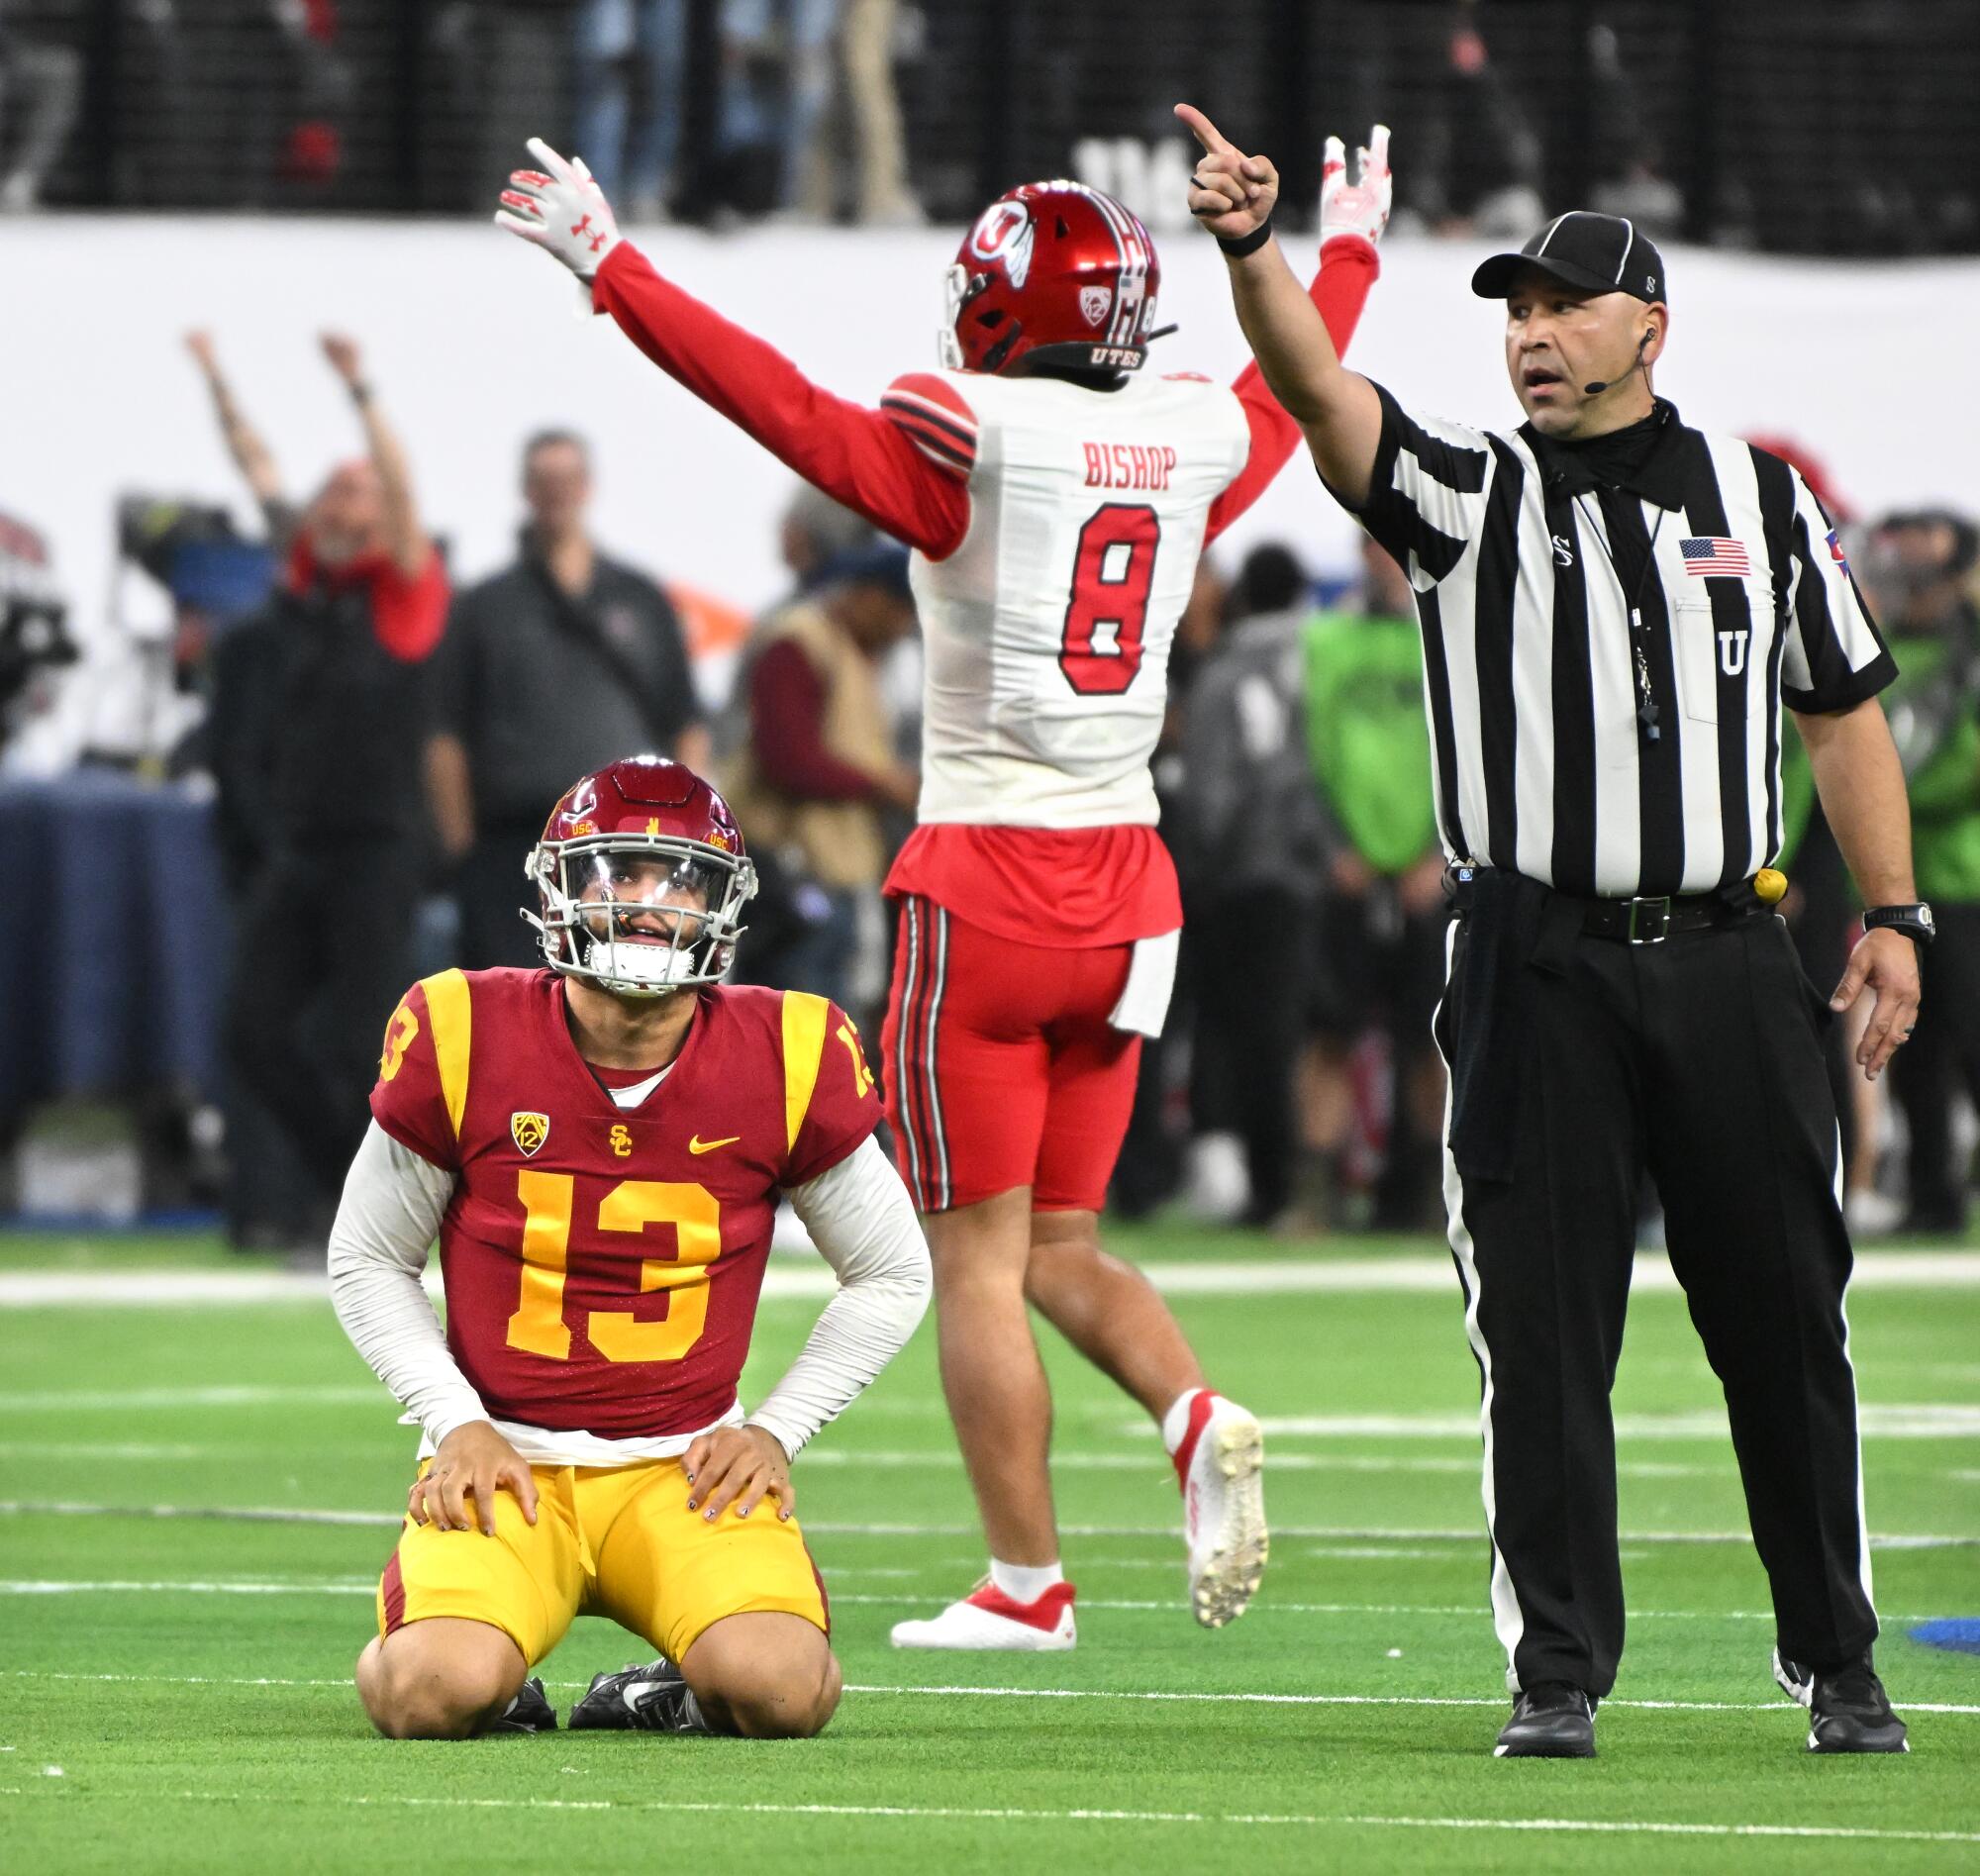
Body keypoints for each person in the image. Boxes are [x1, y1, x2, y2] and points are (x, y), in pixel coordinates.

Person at [494, 124, 1390, 1645]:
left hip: (987, 880)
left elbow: (778, 406)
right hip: (1134, 890)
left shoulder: (971, 447)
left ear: (993, 309)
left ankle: (1028, 1581)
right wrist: (1342, 252)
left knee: (972, 1254)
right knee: (1064, 1243)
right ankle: (1191, 1412)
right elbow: (1289, 396)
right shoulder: (1185, 437)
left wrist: (614, 270)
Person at [1184, 105, 1923, 1755]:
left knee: (1789, 1317)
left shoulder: (1763, 495)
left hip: (1739, 952)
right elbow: (1317, 392)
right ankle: (1559, 1670)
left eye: (1561, 306)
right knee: (1543, 1325)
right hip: (1536, 962)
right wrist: (1254, 249)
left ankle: (1839, 1656)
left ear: (1648, 326)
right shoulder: (1466, 490)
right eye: (1513, 310)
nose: (1528, 332)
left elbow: (1844, 709)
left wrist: (1895, 915)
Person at [331, 754, 930, 1739]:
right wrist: (453, 1420)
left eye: (678, 880)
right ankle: (487, 1671)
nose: (647, 906)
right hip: (505, 1458)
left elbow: (892, 1268)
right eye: (618, 874)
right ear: (556, 890)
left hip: (683, 1467)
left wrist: (774, 1429)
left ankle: (663, 1689)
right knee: (427, 1691)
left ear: (721, 904)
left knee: (785, 1691)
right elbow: (366, 1256)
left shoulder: (788, 1050)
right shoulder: (461, 1027)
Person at [211, 334, 449, 1236]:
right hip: (302, 847)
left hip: (379, 849)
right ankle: (346, 1203)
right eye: (334, 489)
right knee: (254, 1032)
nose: (339, 500)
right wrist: (217, 377)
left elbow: (404, 487)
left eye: (359, 491)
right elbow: (259, 469)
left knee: (361, 1041)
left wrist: (362, 389)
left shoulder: (405, 592)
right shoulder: (310, 581)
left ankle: (389, 1219)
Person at [427, 430, 708, 970]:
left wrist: (687, 836)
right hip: (513, 843)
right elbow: (446, 737)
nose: (556, 492)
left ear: (587, 487)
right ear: (525, 490)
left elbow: (685, 720)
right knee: (511, 999)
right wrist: (463, 851)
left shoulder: (640, 597)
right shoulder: (486, 606)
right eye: (543, 481)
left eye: (567, 480)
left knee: (618, 991)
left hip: (623, 843)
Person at [1176, 543, 1331, 1228]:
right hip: (1312, 872)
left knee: (1235, 1033)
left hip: (1240, 878)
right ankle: (1288, 1180)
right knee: (1294, 1032)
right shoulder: (1325, 656)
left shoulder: (1230, 669)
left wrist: (1207, 861)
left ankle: (1254, 1183)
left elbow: (1217, 788)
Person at [1300, 537, 1448, 1232]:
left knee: (1434, 1040)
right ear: (1359, 551)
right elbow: (1307, 749)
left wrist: (1441, 854)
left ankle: (1425, 1198)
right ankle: (1316, 1196)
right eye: (1375, 546)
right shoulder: (1325, 641)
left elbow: (1479, 752)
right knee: (1330, 1033)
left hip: (1429, 872)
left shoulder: (1451, 638)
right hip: (1347, 872)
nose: (1387, 558)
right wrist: (1333, 846)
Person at [721, 542, 920, 1007]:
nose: (901, 628)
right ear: (871, 595)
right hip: (790, 872)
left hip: (835, 868)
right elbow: (787, 759)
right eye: (898, 612)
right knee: (788, 1030)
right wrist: (882, 784)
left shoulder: (852, 650)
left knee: (827, 1031)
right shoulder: (798, 641)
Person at [1863, 510, 1980, 1232]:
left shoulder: (1968, 655)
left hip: (1964, 875)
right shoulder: (1886, 651)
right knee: (1915, 1045)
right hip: (1904, 882)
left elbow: (1967, 764)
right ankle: (1933, 1194)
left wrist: (1882, 801)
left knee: (1969, 1032)